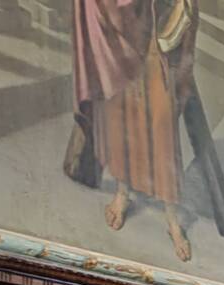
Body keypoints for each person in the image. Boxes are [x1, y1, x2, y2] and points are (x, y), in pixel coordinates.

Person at [73, 0, 201, 260]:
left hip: (158, 29)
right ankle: (122, 193)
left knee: (163, 129)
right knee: (124, 115)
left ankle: (172, 219)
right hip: (126, 30)